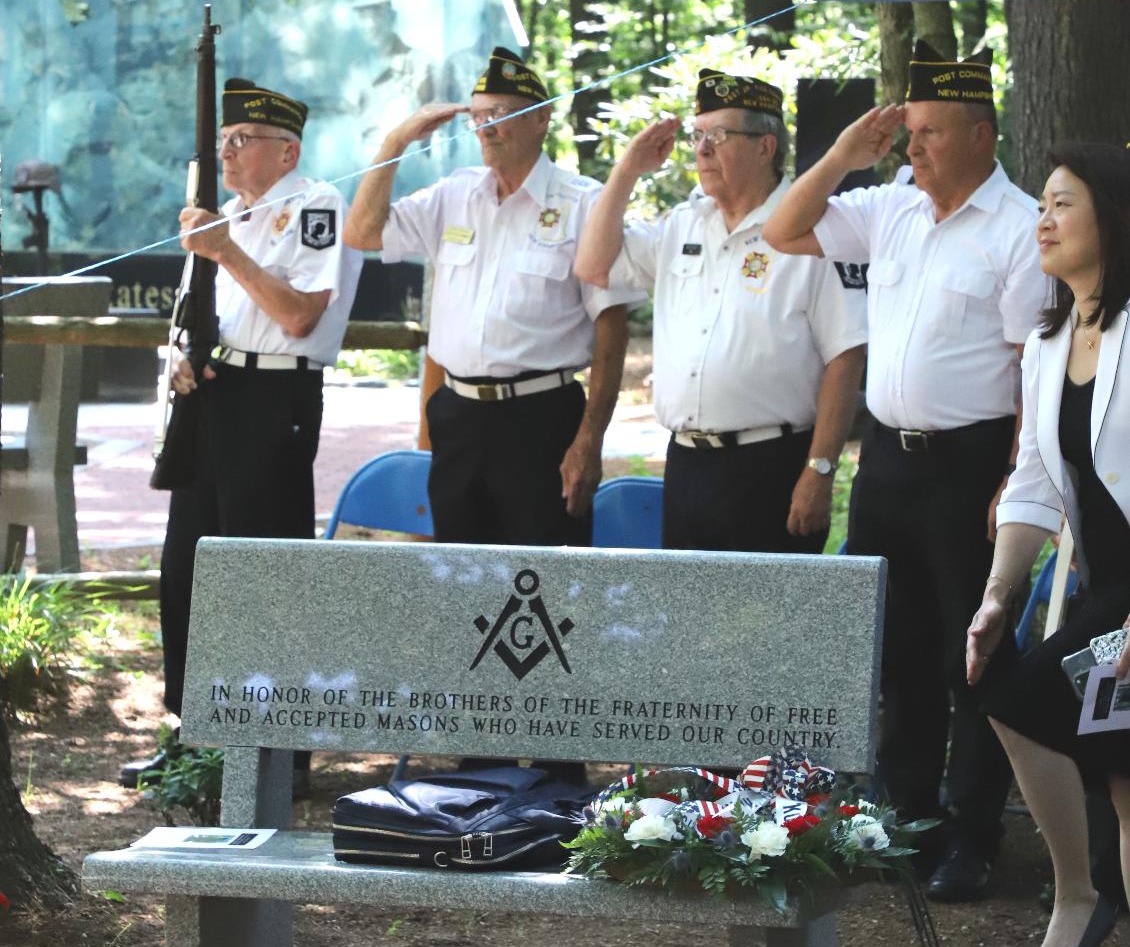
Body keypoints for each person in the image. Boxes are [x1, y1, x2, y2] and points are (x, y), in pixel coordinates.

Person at [763, 40, 1049, 901]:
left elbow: (1029, 369)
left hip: (970, 465)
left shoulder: (1018, 226)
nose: (913, 146)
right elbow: (781, 228)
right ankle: (905, 818)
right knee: (898, 650)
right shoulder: (887, 206)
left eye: (928, 131)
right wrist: (846, 155)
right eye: (908, 131)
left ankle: (972, 835)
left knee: (974, 656)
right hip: (886, 459)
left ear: (981, 134)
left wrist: (1013, 481)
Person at [119, 78, 362, 791]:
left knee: (265, 566)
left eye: (240, 141)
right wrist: (182, 356)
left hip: (275, 394)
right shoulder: (224, 217)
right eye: (222, 140)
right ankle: (192, 733)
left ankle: (279, 749)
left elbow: (297, 317)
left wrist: (227, 250)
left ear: (285, 151)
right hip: (217, 395)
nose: (225, 152)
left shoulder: (312, 205)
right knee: (188, 567)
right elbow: (200, 314)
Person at [344, 46, 640, 547]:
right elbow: (363, 233)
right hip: (459, 418)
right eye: (479, 116)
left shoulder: (583, 202)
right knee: (461, 581)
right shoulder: (453, 195)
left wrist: (590, 438)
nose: (485, 128)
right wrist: (396, 142)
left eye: (500, 115)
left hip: (541, 421)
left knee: (544, 584)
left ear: (542, 119)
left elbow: (612, 325)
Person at [967, 142, 1130, 947]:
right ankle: (1081, 890)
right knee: (1122, 778)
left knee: (1026, 700)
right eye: (1040, 205)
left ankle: (1081, 891)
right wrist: (999, 597)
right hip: (1105, 588)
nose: (1043, 219)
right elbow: (1032, 479)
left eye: (1062, 203)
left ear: (1111, 214)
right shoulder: (1048, 341)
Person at [574, 69, 867, 551]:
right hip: (688, 463)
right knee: (689, 621)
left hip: (771, 463)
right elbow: (592, 265)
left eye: (719, 135)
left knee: (765, 623)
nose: (702, 149)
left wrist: (820, 470)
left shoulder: (812, 228)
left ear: (764, 147)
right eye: (697, 135)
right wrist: (627, 170)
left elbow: (845, 357)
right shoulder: (683, 224)